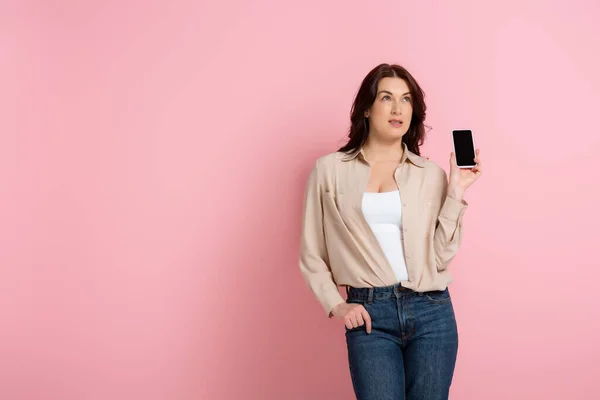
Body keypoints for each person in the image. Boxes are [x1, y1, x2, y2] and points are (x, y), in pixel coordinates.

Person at [298, 63, 482, 400]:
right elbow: (311, 253)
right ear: (367, 108)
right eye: (386, 97)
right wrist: (336, 304)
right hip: (370, 314)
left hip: (432, 311)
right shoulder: (329, 171)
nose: (398, 109)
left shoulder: (430, 174)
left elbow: (439, 257)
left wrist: (456, 193)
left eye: (406, 99)